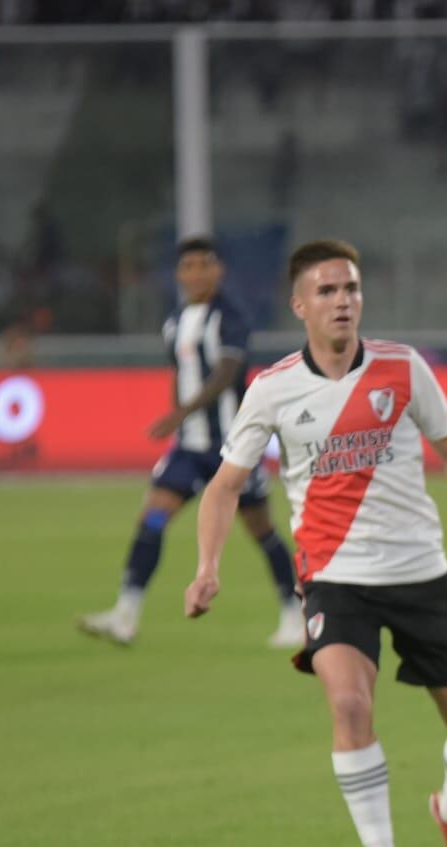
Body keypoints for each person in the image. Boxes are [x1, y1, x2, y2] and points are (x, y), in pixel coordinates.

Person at [184, 239, 447, 847]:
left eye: (351, 289)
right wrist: (207, 568)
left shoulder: (402, 369)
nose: (342, 301)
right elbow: (222, 488)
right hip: (334, 577)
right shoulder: (272, 390)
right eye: (326, 291)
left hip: (421, 572)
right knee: (350, 706)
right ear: (300, 305)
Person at [79, 236, 301, 648]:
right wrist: (180, 420)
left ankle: (294, 614)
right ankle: (125, 614)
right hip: (188, 448)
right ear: (179, 274)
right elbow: (182, 376)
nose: (196, 273)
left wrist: (181, 413)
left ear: (218, 270)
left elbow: (226, 374)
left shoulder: (231, 316)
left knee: (261, 530)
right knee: (152, 519)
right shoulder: (175, 321)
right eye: (188, 266)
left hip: (233, 446)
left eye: (204, 265)